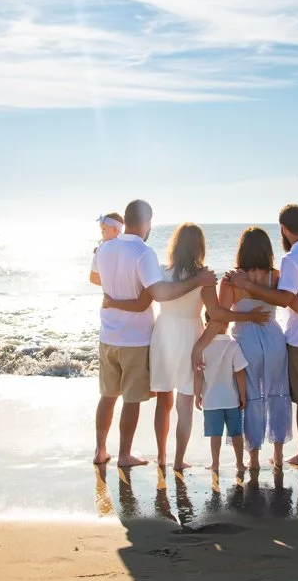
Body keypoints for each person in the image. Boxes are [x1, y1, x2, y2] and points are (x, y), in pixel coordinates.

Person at [101, 223, 268, 470]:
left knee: (164, 401)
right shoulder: (206, 277)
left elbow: (147, 299)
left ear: (175, 245)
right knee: (185, 404)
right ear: (200, 247)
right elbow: (217, 314)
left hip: (164, 334)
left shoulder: (161, 271)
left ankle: (162, 458)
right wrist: (248, 317)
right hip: (191, 335)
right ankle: (178, 461)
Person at [91, 200, 216, 467]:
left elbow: (98, 279)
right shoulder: (145, 254)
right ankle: (130, 455)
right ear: (146, 223)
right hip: (137, 339)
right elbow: (155, 295)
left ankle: (102, 451)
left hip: (113, 336)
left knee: (110, 395)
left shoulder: (104, 248)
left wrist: (113, 298)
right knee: (134, 400)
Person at [198, 226, 298, 470]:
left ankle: (252, 459)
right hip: (274, 339)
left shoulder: (231, 280)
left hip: (246, 341)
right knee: (277, 394)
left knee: (250, 398)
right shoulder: (276, 276)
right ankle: (279, 455)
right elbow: (290, 302)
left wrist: (202, 344)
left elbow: (221, 318)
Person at [225, 205, 298, 469]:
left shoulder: (288, 261)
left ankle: (283, 455)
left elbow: (289, 301)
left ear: (284, 229)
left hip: (294, 340)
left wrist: (247, 288)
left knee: (286, 399)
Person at [194, 314, 247, 476]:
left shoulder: (202, 347)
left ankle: (215, 464)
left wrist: (197, 396)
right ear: (228, 324)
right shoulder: (232, 345)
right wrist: (243, 396)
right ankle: (240, 464)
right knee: (236, 433)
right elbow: (240, 373)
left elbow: (198, 375)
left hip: (211, 400)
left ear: (206, 324)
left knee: (215, 435)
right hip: (231, 399)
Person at [89, 212, 123, 286]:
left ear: (115, 229)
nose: (101, 232)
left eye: (104, 228)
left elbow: (93, 279)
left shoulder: (102, 248)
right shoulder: (128, 244)